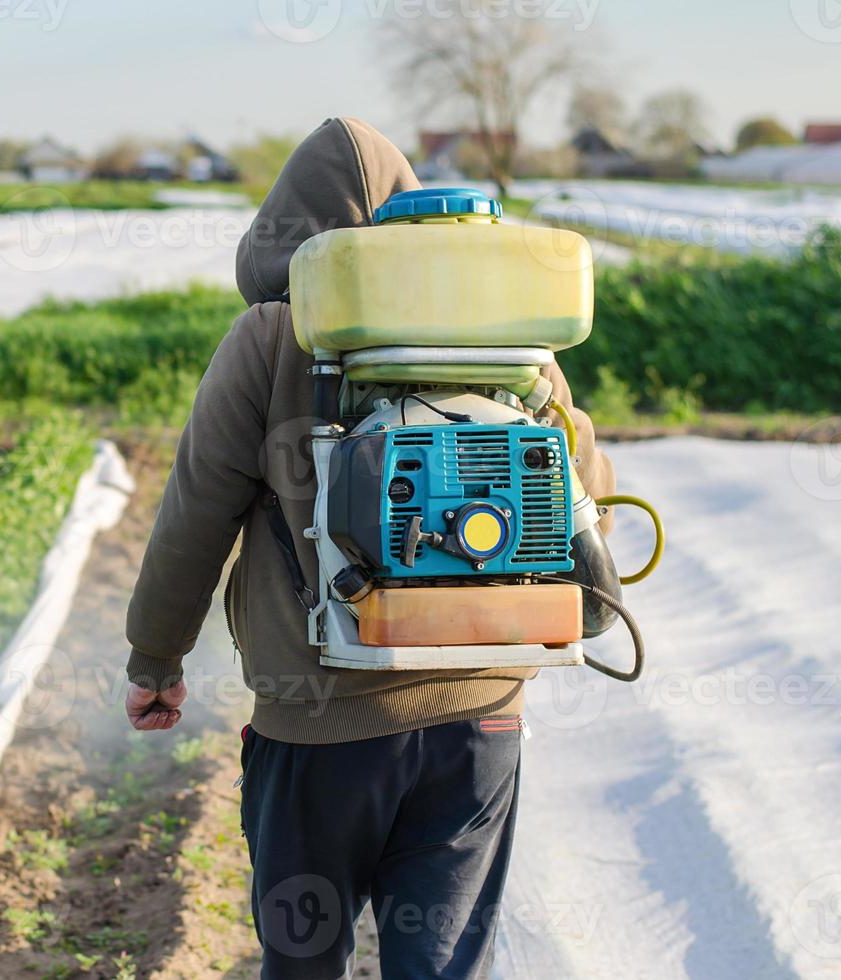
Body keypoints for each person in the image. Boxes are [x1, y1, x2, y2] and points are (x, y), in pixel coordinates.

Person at [121, 118, 616, 979]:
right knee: (442, 963)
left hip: (317, 725)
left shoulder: (271, 339)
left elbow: (194, 515)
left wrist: (156, 655)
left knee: (305, 956)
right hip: (481, 714)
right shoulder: (514, 343)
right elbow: (585, 503)